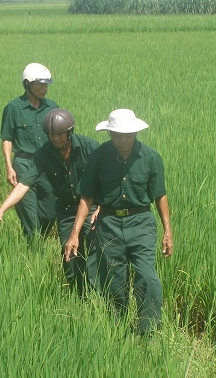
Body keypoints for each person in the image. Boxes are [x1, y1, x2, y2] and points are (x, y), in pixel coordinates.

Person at [64, 108, 173, 335]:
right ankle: (119, 328)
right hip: (108, 224)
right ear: (109, 134)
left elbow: (160, 195)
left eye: (128, 135)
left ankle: (148, 330)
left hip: (141, 222)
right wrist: (74, 233)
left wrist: (167, 231)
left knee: (146, 275)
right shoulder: (99, 157)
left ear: (135, 133)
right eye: (118, 135)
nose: (124, 140)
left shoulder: (150, 157)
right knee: (114, 279)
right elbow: (87, 196)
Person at [0, 109, 100, 296]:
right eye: (52, 135)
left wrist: (101, 207)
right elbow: (24, 184)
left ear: (70, 132)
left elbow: (105, 179)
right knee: (69, 255)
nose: (56, 138)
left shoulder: (89, 147)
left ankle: (98, 297)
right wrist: (1, 209)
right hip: (67, 210)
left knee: (95, 253)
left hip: (92, 207)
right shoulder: (43, 154)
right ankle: (80, 298)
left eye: (60, 134)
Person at [0, 63, 58, 242]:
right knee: (30, 220)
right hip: (24, 165)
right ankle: (34, 252)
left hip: (48, 166)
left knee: (50, 213)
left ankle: (38, 241)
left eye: (46, 84)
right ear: (27, 84)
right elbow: (7, 138)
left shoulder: (52, 106)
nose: (44, 89)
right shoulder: (14, 108)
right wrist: (9, 167)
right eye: (40, 84)